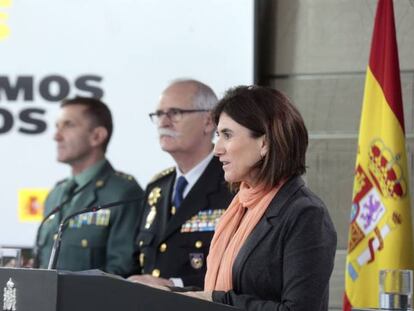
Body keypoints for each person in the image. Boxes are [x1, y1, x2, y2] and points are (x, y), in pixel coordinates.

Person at [181, 85, 337, 311]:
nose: (217, 149)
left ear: (264, 143)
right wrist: (168, 292)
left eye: (227, 135)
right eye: (218, 135)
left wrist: (218, 301)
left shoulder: (306, 214)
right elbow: (226, 290)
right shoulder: (241, 205)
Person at [128, 79, 233, 288]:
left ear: (209, 121)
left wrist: (174, 285)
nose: (164, 123)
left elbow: (240, 271)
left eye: (175, 113)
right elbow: (137, 263)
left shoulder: (232, 183)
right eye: (159, 114)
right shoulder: (157, 187)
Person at [35, 97, 144, 277]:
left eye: (68, 125)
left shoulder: (123, 193)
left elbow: (121, 272)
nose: (56, 136)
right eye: (57, 126)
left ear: (97, 136)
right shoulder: (56, 193)